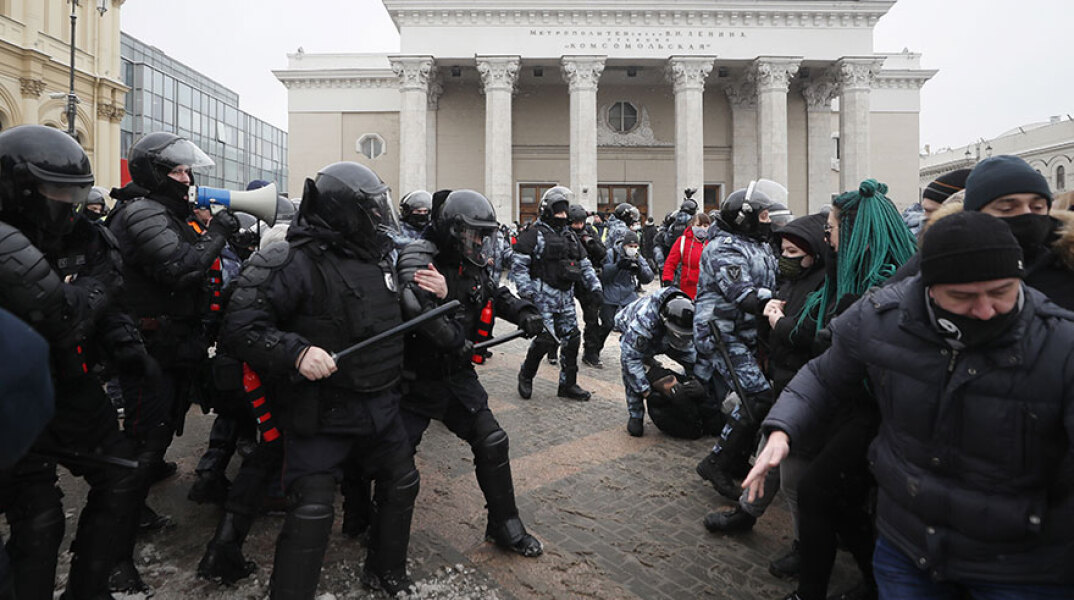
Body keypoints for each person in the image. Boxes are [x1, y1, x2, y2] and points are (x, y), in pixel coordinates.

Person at [747, 210, 1074, 600]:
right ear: (928, 287)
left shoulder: (1061, 344)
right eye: (964, 297)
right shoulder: (882, 316)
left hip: (1019, 566)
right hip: (908, 547)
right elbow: (822, 375)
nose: (986, 309)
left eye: (1002, 292)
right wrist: (783, 429)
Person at [221, 161, 428, 597]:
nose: (377, 219)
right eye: (369, 210)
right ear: (343, 212)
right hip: (321, 411)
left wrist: (433, 292)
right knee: (312, 509)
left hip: (380, 404)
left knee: (401, 483)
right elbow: (239, 327)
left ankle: (386, 572)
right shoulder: (288, 260)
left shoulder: (379, 257)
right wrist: (295, 352)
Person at [0, 125, 148, 599]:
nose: (70, 203)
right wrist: (97, 290)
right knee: (39, 516)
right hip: (9, 398)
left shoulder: (84, 235)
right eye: (56, 190)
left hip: (69, 383)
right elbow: (64, 313)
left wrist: (126, 344)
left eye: (74, 191)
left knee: (121, 474)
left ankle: (89, 588)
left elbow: (110, 303)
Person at [107, 132, 239, 589]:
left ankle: (135, 499)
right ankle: (111, 557)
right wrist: (219, 233)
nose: (188, 179)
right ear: (153, 174)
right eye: (179, 171)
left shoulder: (164, 212)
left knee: (159, 432)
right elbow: (181, 269)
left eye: (187, 171)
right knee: (141, 444)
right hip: (148, 348)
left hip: (171, 345)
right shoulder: (143, 212)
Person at [396, 189, 546, 557]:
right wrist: (452, 325)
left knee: (492, 441)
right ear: (452, 230)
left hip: (456, 377)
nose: (480, 242)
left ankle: (504, 525)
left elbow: (492, 293)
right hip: (412, 381)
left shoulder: (471, 263)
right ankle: (380, 540)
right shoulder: (422, 260)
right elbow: (422, 314)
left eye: (484, 234)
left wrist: (523, 310)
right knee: (394, 466)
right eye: (473, 234)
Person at [701, 212, 828, 581]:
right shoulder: (795, 279)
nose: (785, 257)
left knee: (793, 477)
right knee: (765, 455)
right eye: (783, 249)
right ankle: (746, 511)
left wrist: (778, 323)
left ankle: (806, 549)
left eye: (793, 251)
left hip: (806, 386)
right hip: (785, 379)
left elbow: (812, 334)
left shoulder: (822, 284)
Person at [693, 186, 778, 500]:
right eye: (764, 215)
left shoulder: (758, 244)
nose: (768, 221)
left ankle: (735, 457)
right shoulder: (724, 248)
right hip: (721, 332)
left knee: (755, 397)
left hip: (745, 333)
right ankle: (717, 462)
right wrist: (780, 302)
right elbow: (742, 292)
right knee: (755, 395)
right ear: (746, 218)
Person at [512, 186, 603, 401]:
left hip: (566, 297)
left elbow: (585, 264)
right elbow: (519, 264)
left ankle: (568, 385)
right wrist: (526, 292)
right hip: (542, 296)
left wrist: (595, 287)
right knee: (545, 339)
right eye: (558, 212)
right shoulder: (534, 234)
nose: (562, 217)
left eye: (565, 212)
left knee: (572, 339)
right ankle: (526, 375)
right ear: (547, 211)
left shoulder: (571, 237)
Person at [615, 287, 713, 437]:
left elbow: (699, 357)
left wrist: (700, 382)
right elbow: (630, 359)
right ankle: (635, 415)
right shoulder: (643, 322)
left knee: (695, 365)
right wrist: (646, 391)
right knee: (634, 374)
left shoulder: (691, 315)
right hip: (639, 335)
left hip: (668, 338)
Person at [592, 230, 654, 367]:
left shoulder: (637, 256)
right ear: (624, 245)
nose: (633, 249)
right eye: (630, 246)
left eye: (635, 246)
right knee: (607, 324)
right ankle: (593, 351)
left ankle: (645, 355)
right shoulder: (611, 254)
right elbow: (602, 275)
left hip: (628, 296)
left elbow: (648, 277)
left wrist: (639, 269)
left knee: (640, 325)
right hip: (610, 294)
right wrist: (617, 266)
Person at [568, 204, 609, 368]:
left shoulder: (589, 231)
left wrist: (590, 244)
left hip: (587, 279)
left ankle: (591, 353)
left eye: (581, 223)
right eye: (575, 223)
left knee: (592, 319)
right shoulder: (564, 233)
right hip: (568, 278)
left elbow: (602, 253)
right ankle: (552, 350)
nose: (578, 226)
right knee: (562, 318)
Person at [661, 212, 710, 298]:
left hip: (707, 291)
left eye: (705, 226)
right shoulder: (682, 241)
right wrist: (667, 280)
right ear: (692, 225)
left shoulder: (712, 243)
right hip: (686, 290)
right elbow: (670, 262)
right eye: (698, 225)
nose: (702, 228)